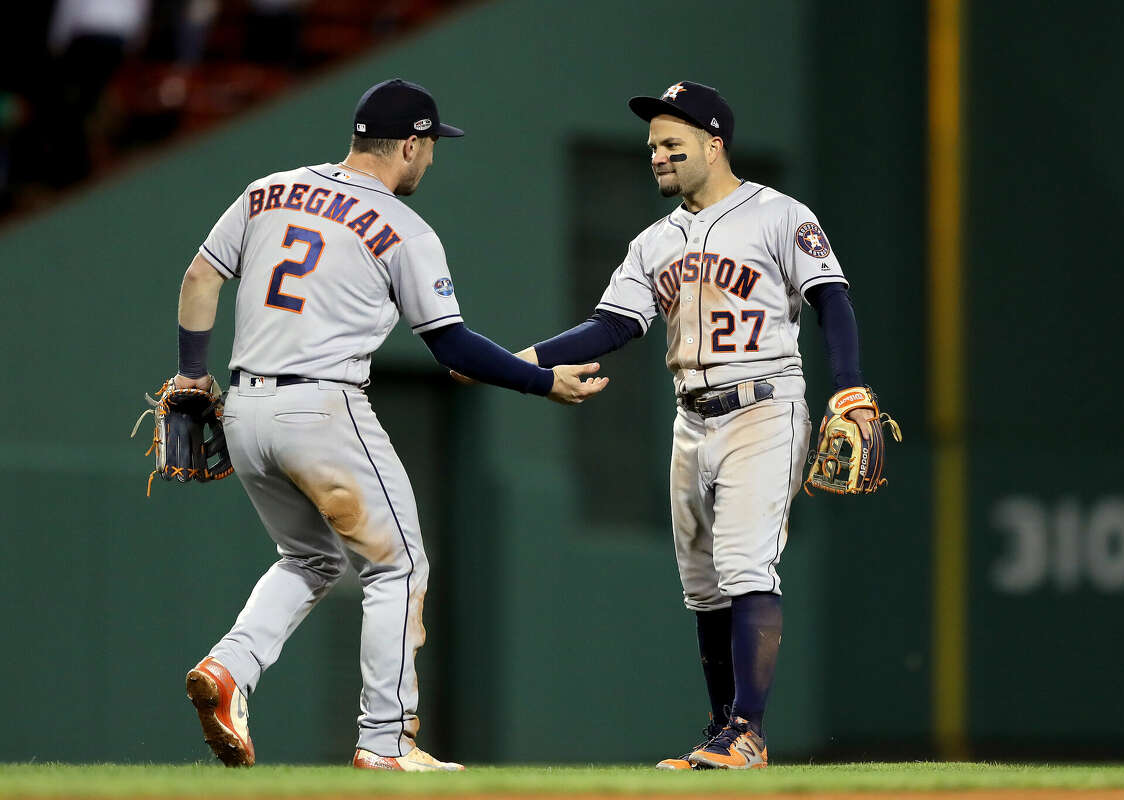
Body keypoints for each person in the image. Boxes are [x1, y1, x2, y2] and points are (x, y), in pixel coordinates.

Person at [174, 78, 607, 771]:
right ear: (409, 143)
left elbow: (200, 277)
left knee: (311, 558)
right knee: (398, 567)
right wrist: (542, 381)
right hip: (322, 408)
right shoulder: (405, 228)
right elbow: (452, 346)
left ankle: (229, 670)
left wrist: (193, 374)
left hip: (245, 408)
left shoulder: (268, 190)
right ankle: (384, 743)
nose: (431, 160)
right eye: (430, 147)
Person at [510, 81, 876, 769]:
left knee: (743, 565)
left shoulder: (777, 215)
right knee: (704, 584)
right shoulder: (654, 242)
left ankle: (750, 731)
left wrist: (851, 386)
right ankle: (721, 732)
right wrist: (520, 360)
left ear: (715, 144)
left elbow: (831, 298)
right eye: (653, 147)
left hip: (765, 406)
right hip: (692, 417)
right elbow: (613, 325)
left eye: (672, 145)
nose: (658, 156)